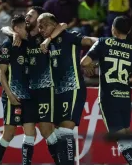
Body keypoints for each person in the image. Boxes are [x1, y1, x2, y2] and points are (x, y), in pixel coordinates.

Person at [81, 16, 132, 165]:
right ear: (129, 31)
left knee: (121, 138)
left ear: (113, 29)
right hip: (125, 97)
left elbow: (84, 62)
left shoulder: (103, 42)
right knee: (125, 134)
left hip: (109, 97)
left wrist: (91, 66)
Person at [1, 6, 67, 165]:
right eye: (27, 15)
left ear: (39, 21)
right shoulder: (21, 36)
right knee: (28, 129)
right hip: (27, 91)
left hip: (44, 89)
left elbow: (63, 25)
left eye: (30, 16)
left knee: (46, 130)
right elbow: (5, 27)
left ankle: (62, 161)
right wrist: (13, 32)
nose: (27, 18)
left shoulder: (45, 35)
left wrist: (48, 39)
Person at [37, 12, 97, 165]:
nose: (40, 29)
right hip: (56, 92)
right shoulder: (45, 43)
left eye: (44, 25)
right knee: (57, 134)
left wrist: (90, 59)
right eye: (39, 26)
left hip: (72, 87)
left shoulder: (69, 36)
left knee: (65, 130)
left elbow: (95, 41)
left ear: (53, 24)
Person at [0, 15, 36, 165]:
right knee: (9, 134)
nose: (27, 31)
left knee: (31, 132)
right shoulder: (7, 45)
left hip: (29, 95)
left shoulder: (27, 43)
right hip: (14, 96)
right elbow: (1, 73)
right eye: (24, 28)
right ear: (16, 28)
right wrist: (10, 95)